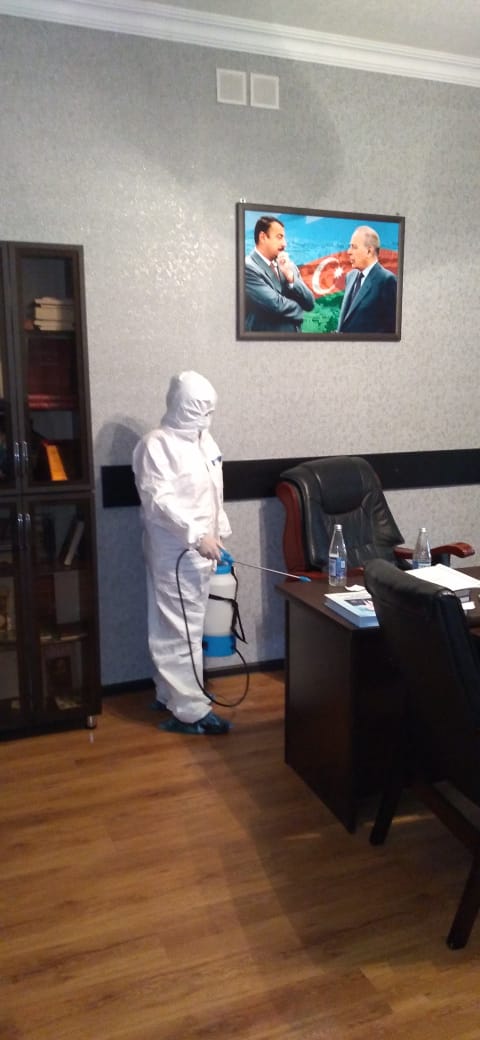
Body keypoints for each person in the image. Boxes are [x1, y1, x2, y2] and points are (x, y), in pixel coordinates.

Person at [132, 370, 232, 735]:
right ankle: (191, 712)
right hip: (173, 550)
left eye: (208, 409)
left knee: (180, 625)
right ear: (179, 405)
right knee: (181, 630)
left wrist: (218, 532)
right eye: (197, 408)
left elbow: (214, 492)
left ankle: (170, 692)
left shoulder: (205, 441)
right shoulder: (155, 445)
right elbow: (159, 501)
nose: (204, 416)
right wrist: (197, 535)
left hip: (203, 551)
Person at [245, 215, 315, 333]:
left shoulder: (288, 265)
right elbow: (276, 305)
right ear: (263, 237)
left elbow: (309, 303)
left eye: (284, 238)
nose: (284, 244)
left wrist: (291, 278)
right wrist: (300, 309)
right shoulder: (247, 267)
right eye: (279, 237)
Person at [337, 225, 397, 334]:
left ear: (369, 251)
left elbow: (391, 330)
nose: (349, 252)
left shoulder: (387, 281)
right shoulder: (350, 277)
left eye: (354, 247)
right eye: (350, 246)